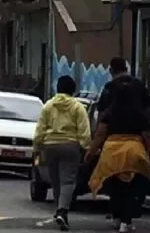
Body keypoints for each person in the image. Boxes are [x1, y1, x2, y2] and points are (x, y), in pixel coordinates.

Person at [85, 65, 150, 233]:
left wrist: (90, 152)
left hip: (112, 152)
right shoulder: (140, 114)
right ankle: (127, 219)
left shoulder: (109, 113)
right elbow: (148, 136)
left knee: (115, 186)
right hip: (134, 151)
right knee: (137, 185)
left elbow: (100, 134)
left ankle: (117, 217)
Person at [33, 75, 91, 231]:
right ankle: (62, 211)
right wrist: (85, 147)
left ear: (57, 88)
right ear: (73, 90)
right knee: (68, 181)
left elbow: (40, 128)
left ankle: (59, 208)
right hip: (70, 145)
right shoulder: (77, 107)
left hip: (50, 145)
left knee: (55, 180)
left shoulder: (48, 106)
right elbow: (84, 129)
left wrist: (37, 146)